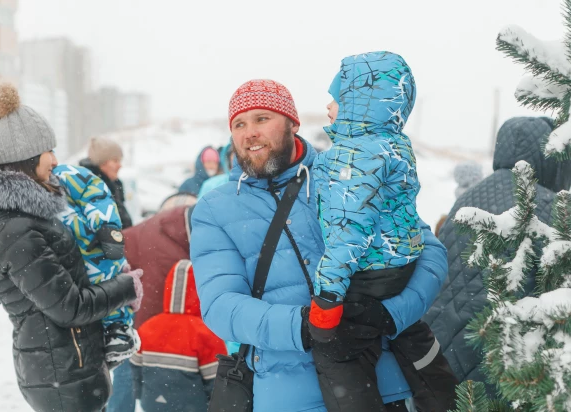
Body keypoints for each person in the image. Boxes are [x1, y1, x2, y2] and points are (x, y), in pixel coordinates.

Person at [190, 78, 449, 412]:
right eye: (239, 124)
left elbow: (428, 251)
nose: (249, 132)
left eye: (262, 119)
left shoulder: (347, 172)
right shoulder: (215, 208)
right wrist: (304, 326)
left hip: (380, 386)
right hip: (287, 397)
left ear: (293, 123)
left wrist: (389, 314)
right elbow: (221, 305)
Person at [0, 81, 143, 412]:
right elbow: (70, 307)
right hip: (63, 377)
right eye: (47, 151)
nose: (55, 159)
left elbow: (1, 288)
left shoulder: (20, 218)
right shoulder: (17, 228)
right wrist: (125, 287)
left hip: (63, 367)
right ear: (25, 158)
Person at [309, 51, 456, 411]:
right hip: (401, 269)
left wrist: (327, 295)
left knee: (338, 352)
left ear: (360, 104)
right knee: (411, 335)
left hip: (369, 276)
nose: (328, 106)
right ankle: (445, 399)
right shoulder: (395, 145)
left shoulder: (353, 155)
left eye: (337, 97)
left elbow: (349, 228)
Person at [423, 117, 571, 394]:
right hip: (500, 349)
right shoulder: (546, 205)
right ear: (555, 159)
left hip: (437, 343)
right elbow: (565, 290)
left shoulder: (468, 196)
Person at [106, 201, 196, 412]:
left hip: (120, 291)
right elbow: (150, 306)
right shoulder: (166, 253)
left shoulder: (175, 227)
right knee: (129, 359)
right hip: (122, 302)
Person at [53, 163, 141, 364]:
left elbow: (95, 193)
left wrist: (107, 227)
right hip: (60, 256)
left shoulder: (65, 174)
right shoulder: (20, 187)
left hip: (92, 246)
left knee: (108, 281)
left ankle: (117, 330)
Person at [131, 259, 227, 412]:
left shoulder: (148, 327)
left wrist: (142, 395)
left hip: (152, 404)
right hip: (191, 407)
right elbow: (217, 383)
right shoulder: (206, 333)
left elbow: (135, 373)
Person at [80, 136, 133, 228]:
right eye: (115, 161)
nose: (120, 165)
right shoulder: (92, 188)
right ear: (101, 162)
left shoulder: (114, 185)